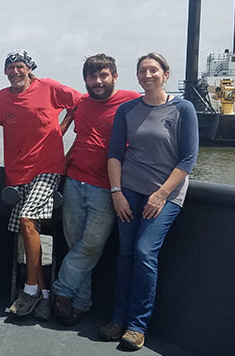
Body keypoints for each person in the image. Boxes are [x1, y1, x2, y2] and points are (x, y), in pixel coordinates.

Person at [100, 52, 198, 350]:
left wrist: (161, 194)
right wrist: (116, 193)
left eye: (153, 70)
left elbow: (189, 158)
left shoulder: (183, 109)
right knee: (126, 253)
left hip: (165, 194)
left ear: (165, 74)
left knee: (144, 252)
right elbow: (115, 154)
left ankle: (137, 325)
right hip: (129, 190)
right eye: (142, 71)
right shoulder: (128, 110)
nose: (147, 75)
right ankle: (118, 319)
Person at [0, 50, 81, 319]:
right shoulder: (0, 98)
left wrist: (63, 127)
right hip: (17, 175)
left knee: (27, 221)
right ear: (5, 72)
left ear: (29, 69)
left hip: (49, 168)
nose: (15, 72)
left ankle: (28, 290)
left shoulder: (49, 88)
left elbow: (79, 103)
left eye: (20, 66)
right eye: (10, 68)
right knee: (29, 233)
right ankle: (45, 293)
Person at [51, 54, 140, 327]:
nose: (97, 81)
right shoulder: (82, 104)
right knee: (76, 244)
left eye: (103, 75)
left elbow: (161, 108)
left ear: (114, 76)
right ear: (85, 80)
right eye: (92, 77)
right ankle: (82, 302)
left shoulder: (132, 100)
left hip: (107, 187)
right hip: (75, 181)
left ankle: (61, 290)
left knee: (91, 245)